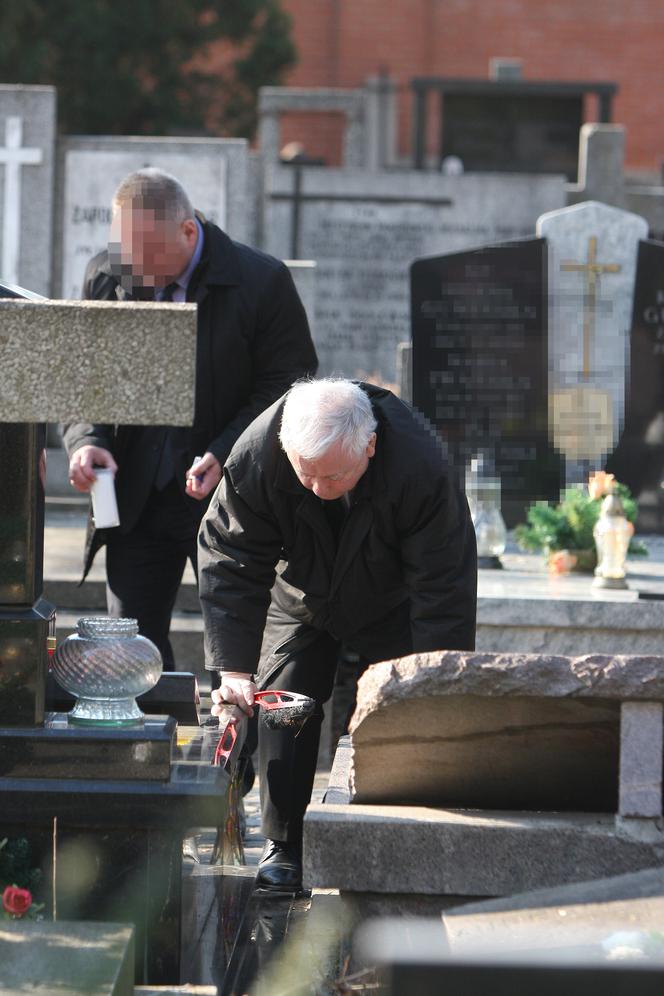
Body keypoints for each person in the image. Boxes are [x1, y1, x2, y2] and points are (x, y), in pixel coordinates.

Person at [198, 378, 477, 892]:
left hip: (393, 600)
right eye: (306, 474)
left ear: (369, 447)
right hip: (301, 591)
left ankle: (392, 833)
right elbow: (230, 558)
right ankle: (283, 843)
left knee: (399, 710)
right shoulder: (260, 453)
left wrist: (436, 681)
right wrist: (234, 668)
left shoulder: (421, 466)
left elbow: (443, 586)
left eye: (334, 476)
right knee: (287, 700)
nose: (319, 488)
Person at [64, 168, 318, 671]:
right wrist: (86, 439)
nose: (137, 268)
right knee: (129, 657)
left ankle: (233, 747)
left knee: (238, 650)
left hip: (230, 500)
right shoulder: (107, 273)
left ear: (188, 231)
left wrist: (227, 452)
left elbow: (287, 383)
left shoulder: (260, 281)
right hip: (136, 498)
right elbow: (82, 373)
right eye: (127, 253)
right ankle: (142, 748)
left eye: (150, 255)